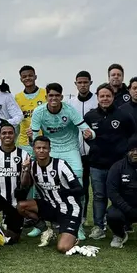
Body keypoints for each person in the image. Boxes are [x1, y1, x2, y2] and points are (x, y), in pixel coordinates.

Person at [29, 82, 95, 239]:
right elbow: (33, 138)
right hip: (50, 149)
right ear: (46, 97)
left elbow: (87, 129)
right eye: (50, 95)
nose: (53, 98)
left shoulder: (69, 110)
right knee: (36, 179)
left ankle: (77, 225)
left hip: (70, 148)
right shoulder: (39, 111)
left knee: (77, 182)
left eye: (56, 95)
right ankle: (41, 225)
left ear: (61, 97)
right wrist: (34, 147)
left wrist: (90, 134)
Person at [83, 83, 137, 240]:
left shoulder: (124, 115)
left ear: (113, 97)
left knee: (119, 196)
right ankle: (99, 226)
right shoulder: (90, 116)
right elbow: (85, 136)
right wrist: (95, 146)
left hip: (119, 165)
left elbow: (133, 137)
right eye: (102, 96)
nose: (105, 99)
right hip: (96, 164)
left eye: (108, 96)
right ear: (97, 98)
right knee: (99, 196)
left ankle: (121, 225)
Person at [16, 136, 82, 253]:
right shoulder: (32, 167)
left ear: (49, 149)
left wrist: (65, 192)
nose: (41, 150)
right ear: (34, 149)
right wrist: (25, 170)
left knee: (63, 248)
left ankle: (72, 236)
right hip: (50, 206)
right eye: (38, 148)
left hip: (69, 209)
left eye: (44, 148)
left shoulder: (61, 165)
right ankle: (46, 230)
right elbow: (24, 187)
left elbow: (79, 189)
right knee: (21, 206)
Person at [0, 121, 31, 245]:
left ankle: (0, 228)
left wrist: (25, 170)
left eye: (10, 133)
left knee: (12, 240)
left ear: (15, 135)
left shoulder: (24, 155)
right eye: (4, 133)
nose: (7, 136)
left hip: (15, 202)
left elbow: (26, 184)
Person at [67, 71, 97, 223]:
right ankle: (82, 216)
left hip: (96, 151)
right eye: (80, 82)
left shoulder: (98, 100)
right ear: (76, 84)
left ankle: (100, 220)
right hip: (77, 151)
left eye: (86, 82)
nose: (83, 85)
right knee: (81, 187)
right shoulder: (71, 103)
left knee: (98, 189)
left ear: (90, 83)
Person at [14, 65, 47, 156]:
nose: (27, 78)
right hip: (24, 143)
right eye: (24, 77)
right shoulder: (17, 98)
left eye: (30, 75)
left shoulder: (46, 93)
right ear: (21, 79)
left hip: (44, 142)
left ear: (35, 77)